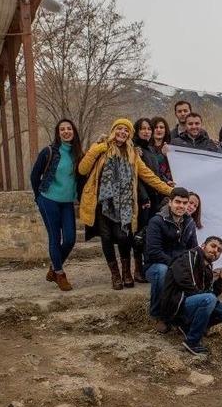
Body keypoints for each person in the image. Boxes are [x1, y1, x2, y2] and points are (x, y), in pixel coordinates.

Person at [78, 118, 174, 290]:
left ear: (129, 134)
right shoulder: (101, 148)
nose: (122, 132)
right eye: (119, 129)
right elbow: (83, 169)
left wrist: (171, 191)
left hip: (125, 205)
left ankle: (126, 272)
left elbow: (149, 177)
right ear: (113, 130)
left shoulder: (133, 154)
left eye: (126, 130)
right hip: (103, 203)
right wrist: (98, 147)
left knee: (124, 237)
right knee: (106, 239)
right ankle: (115, 275)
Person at [30, 119, 84, 291]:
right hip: (48, 200)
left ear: (74, 132)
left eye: (69, 128)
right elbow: (34, 175)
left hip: (67, 202)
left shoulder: (77, 154)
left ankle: (53, 268)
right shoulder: (49, 151)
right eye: (62, 129)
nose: (66, 131)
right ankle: (60, 274)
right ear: (58, 132)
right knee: (55, 237)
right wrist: (38, 196)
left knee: (69, 239)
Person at [159, 236, 222, 356]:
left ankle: (188, 327)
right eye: (213, 246)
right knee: (208, 299)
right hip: (175, 306)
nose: (215, 251)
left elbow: (211, 294)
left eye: (219, 250)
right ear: (203, 245)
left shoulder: (208, 267)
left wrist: (220, 281)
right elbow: (187, 286)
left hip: (191, 303)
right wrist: (208, 297)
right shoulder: (188, 257)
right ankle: (192, 342)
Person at [144, 188, 196, 334]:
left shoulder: (189, 222)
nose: (181, 206)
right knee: (163, 271)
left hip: (178, 265)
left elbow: (192, 248)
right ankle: (159, 315)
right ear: (170, 202)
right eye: (177, 202)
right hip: (154, 266)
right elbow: (154, 252)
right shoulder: (156, 221)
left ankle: (185, 318)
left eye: (185, 203)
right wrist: (176, 266)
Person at [132, 117, 170, 283]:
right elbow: (137, 177)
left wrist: (165, 182)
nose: (147, 131)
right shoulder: (135, 149)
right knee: (140, 234)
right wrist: (143, 197)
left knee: (151, 233)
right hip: (143, 199)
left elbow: (155, 172)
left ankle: (148, 267)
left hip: (156, 196)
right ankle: (138, 268)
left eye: (149, 128)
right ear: (137, 131)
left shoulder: (151, 149)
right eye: (143, 128)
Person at [150, 116, 172, 182]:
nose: (158, 130)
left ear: (166, 130)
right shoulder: (146, 148)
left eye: (161, 127)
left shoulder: (171, 146)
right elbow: (151, 166)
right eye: (155, 127)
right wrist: (162, 155)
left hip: (172, 184)